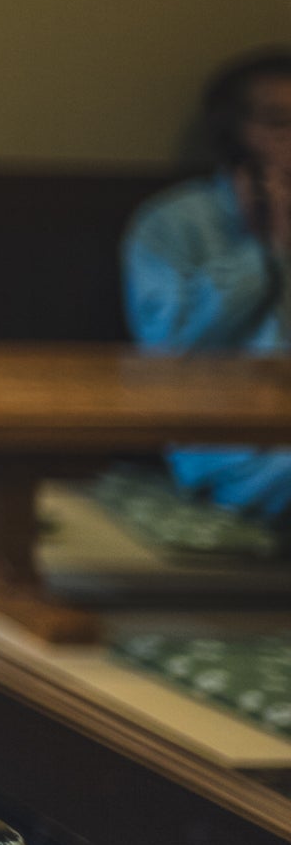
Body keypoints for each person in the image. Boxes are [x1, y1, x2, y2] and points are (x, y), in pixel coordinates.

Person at [126, 49, 291, 516]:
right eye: (279, 123)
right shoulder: (173, 222)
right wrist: (265, 251)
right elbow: (170, 344)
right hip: (227, 444)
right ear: (234, 133)